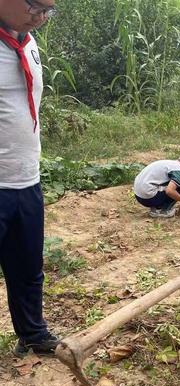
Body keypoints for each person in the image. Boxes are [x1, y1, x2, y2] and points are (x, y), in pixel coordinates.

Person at [0, 0, 60, 357]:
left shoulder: (28, 44)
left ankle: (33, 333)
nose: (40, 16)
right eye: (35, 5)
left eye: (49, 10)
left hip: (26, 181)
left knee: (27, 268)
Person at [134, 148, 180, 218]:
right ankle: (162, 211)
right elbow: (169, 191)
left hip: (138, 195)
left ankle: (156, 207)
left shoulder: (171, 163)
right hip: (147, 198)